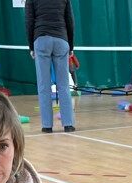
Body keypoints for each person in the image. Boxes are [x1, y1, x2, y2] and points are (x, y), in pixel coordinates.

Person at [26, 0, 76, 133]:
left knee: (44, 85)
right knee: (64, 85)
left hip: (41, 39)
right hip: (61, 39)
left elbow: (29, 22)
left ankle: (47, 126)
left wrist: (31, 46)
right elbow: (70, 20)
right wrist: (71, 46)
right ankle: (68, 124)